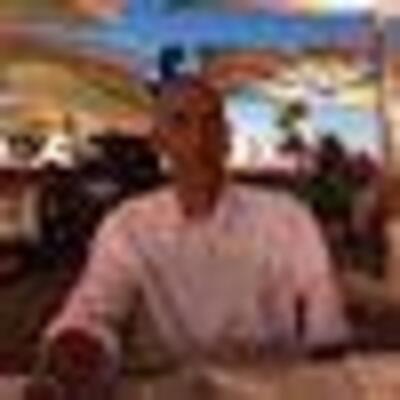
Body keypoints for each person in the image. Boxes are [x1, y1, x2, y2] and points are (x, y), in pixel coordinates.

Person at [25, 76, 350, 400]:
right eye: (181, 123)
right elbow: (95, 310)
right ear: (159, 142)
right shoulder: (127, 226)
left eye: (211, 123)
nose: (199, 139)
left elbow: (326, 329)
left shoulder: (288, 219)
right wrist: (71, 358)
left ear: (227, 138)